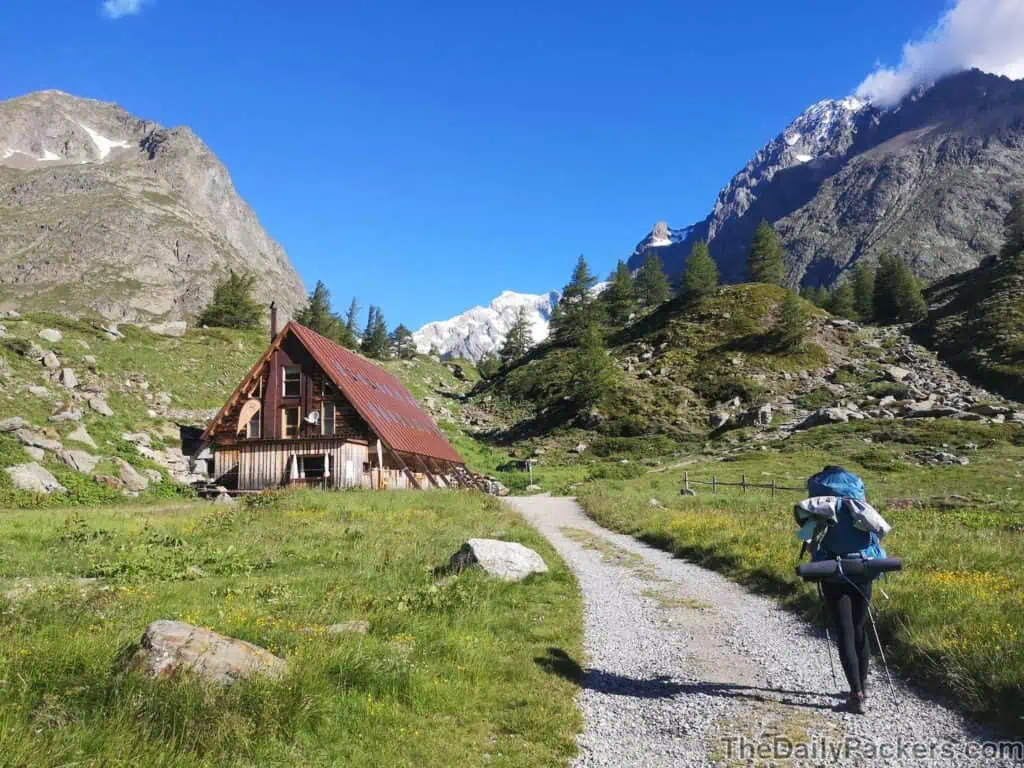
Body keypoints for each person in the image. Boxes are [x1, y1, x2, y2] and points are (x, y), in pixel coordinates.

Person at [795, 466, 890, 715]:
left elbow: (803, 535)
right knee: (860, 628)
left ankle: (856, 694)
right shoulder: (858, 506)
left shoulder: (821, 508)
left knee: (844, 630)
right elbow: (877, 536)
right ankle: (864, 685)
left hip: (832, 572)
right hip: (863, 569)